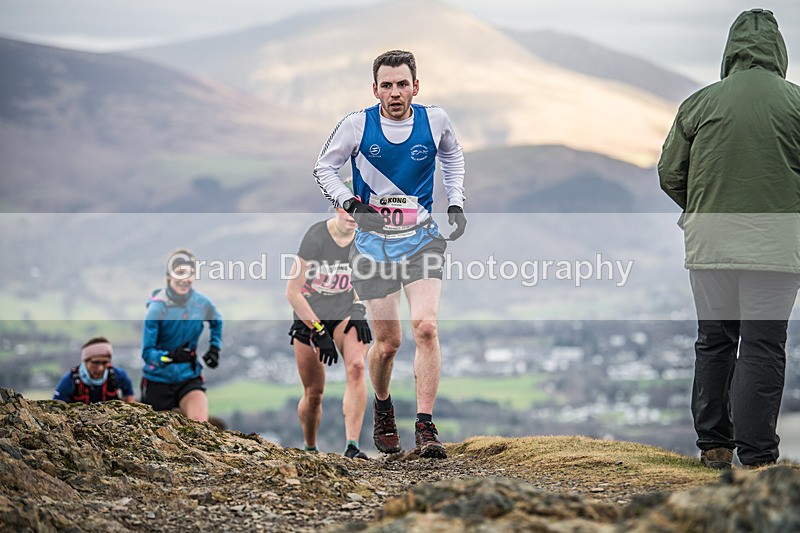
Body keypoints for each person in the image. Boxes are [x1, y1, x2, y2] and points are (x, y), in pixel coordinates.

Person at [658, 9, 800, 469]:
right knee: (762, 345)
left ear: (731, 51)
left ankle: (714, 447)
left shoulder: (699, 104)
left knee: (714, 341)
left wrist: (702, 209)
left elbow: (670, 173)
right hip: (777, 251)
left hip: (710, 246)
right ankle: (758, 458)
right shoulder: (796, 104)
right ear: (779, 51)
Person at [313, 50, 466, 458]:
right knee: (388, 343)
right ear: (375, 89)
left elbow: (452, 155)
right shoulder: (356, 125)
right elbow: (323, 168)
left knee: (426, 327)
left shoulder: (435, 120)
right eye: (387, 85)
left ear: (416, 86)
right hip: (373, 247)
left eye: (402, 84)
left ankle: (425, 426)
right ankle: (383, 408)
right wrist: (350, 203)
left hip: (421, 239)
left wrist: (455, 201)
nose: (395, 92)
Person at [286, 208, 373, 459]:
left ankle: (352, 446)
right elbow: (292, 292)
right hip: (309, 314)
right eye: (349, 208)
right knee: (314, 393)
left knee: (357, 367)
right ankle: (310, 447)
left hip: (343, 310)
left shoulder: (364, 238)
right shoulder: (316, 236)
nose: (354, 215)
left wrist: (358, 309)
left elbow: (363, 278)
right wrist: (318, 330)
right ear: (337, 207)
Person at [140, 249, 223, 423]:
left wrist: (214, 348)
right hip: (158, 380)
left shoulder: (202, 303)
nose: (184, 279)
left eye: (189, 273)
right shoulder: (157, 309)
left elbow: (217, 321)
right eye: (179, 272)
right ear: (169, 276)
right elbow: (147, 353)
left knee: (200, 425)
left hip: (189, 377)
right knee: (158, 431)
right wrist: (169, 357)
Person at [53, 336, 135, 404]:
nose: (100, 368)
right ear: (85, 361)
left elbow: (130, 399)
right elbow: (56, 406)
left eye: (105, 363)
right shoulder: (70, 380)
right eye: (95, 363)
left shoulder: (118, 375)